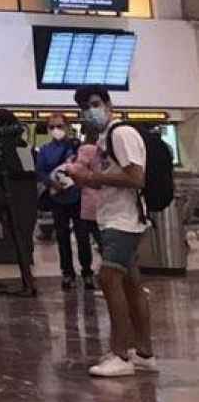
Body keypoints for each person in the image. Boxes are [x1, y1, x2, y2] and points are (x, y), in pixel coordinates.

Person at [68, 86, 157, 378]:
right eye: (84, 107)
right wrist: (83, 179)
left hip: (125, 220)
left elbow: (135, 177)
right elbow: (109, 179)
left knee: (108, 278)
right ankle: (143, 352)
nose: (89, 111)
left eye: (94, 104)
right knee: (131, 284)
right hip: (112, 217)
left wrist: (92, 175)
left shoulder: (121, 134)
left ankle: (121, 354)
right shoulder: (105, 139)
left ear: (107, 104)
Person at [35, 114, 91, 290]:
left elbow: (86, 166)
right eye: (51, 127)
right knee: (62, 237)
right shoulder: (45, 150)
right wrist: (52, 183)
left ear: (67, 126)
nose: (55, 130)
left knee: (82, 236)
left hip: (78, 196)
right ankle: (67, 273)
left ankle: (87, 272)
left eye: (59, 126)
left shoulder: (77, 146)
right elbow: (40, 171)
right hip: (57, 198)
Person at [72, 116, 105, 292]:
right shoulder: (104, 149)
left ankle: (88, 274)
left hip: (88, 203)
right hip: (104, 201)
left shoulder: (86, 150)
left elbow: (77, 172)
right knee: (103, 242)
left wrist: (70, 169)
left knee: (84, 241)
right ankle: (109, 274)